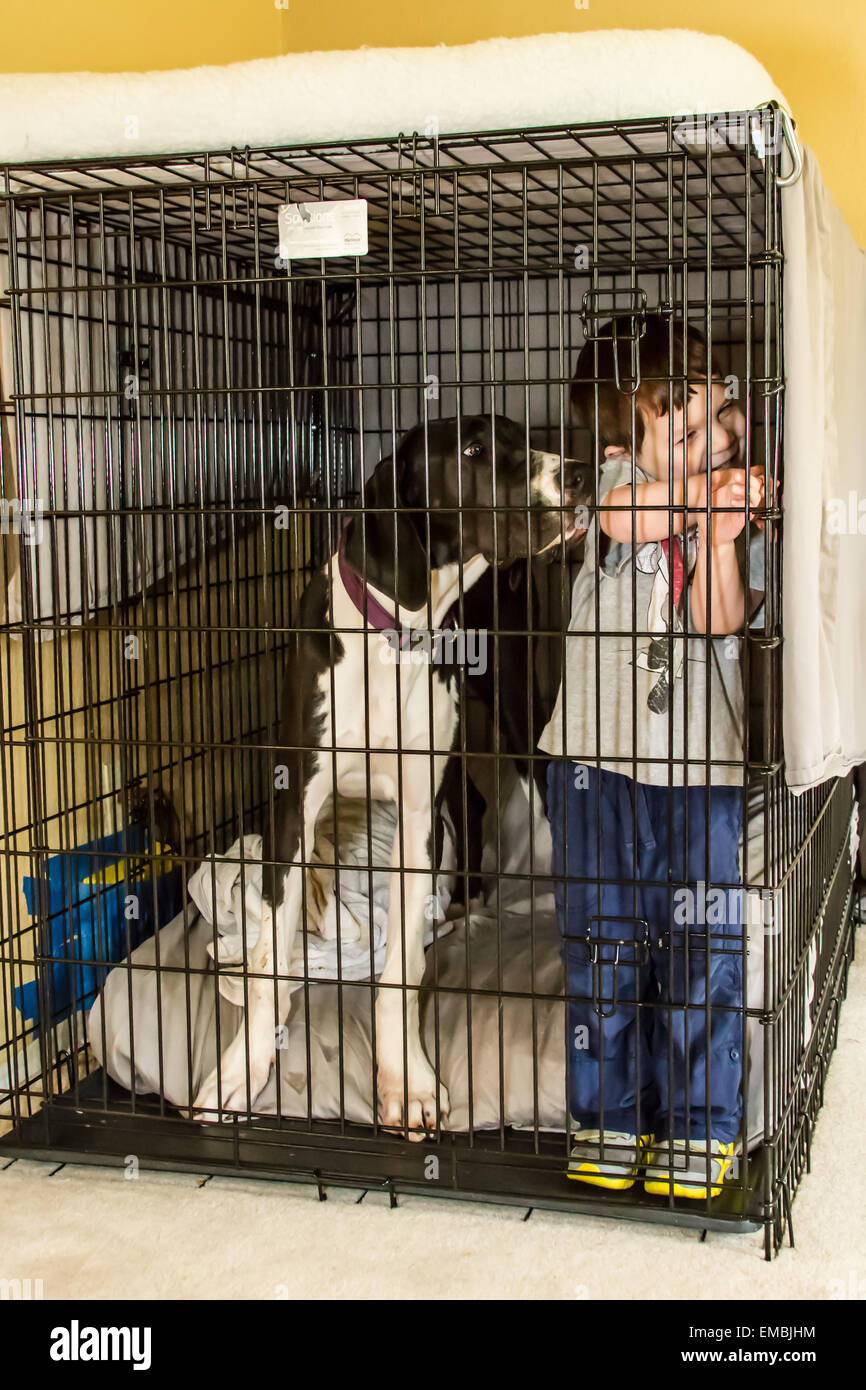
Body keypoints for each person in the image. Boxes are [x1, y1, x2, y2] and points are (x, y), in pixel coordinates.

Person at [539, 315, 766, 1197]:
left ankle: (701, 1126)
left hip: (699, 772)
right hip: (593, 766)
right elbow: (623, 518)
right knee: (603, 946)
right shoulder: (613, 486)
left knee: (702, 949)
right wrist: (696, 504)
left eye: (721, 419)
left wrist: (718, 535)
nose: (712, 441)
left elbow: (719, 621)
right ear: (622, 438)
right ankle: (608, 1120)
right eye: (685, 426)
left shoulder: (728, 513)